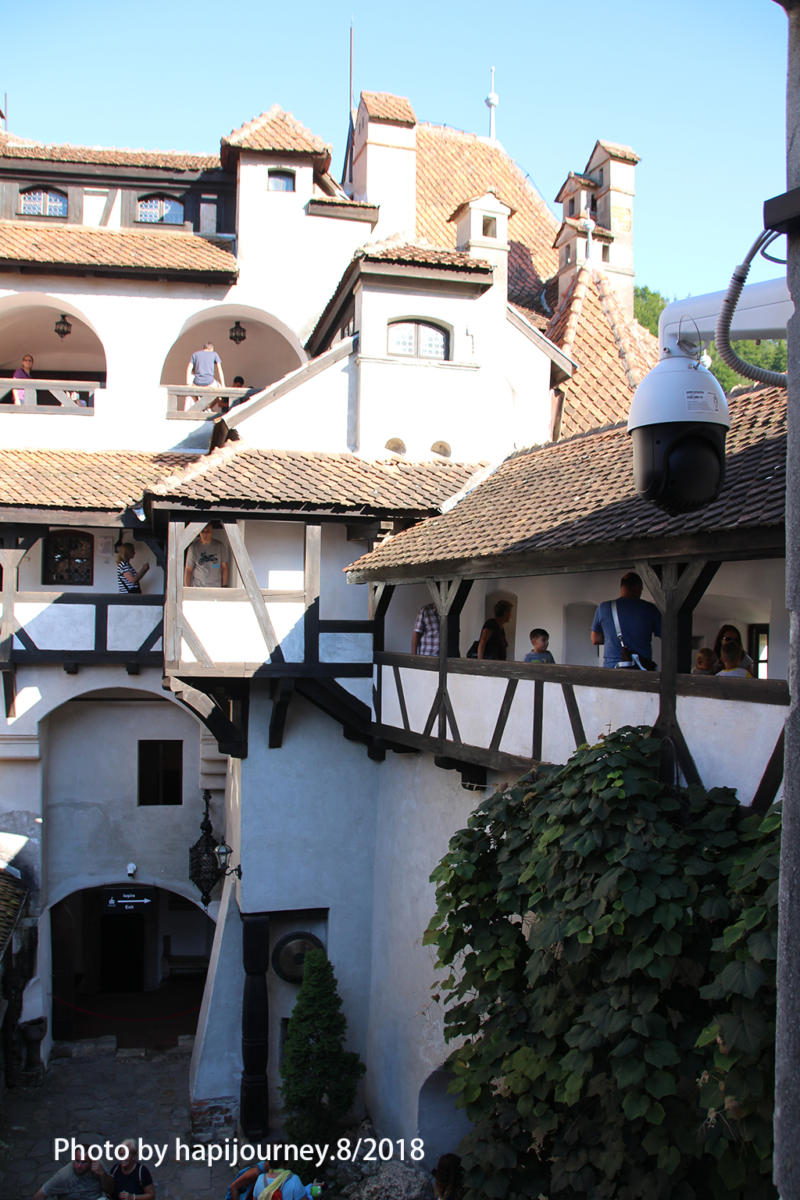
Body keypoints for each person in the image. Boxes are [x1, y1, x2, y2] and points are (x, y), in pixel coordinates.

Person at [591, 571, 661, 669]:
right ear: (638, 588)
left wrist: (612, 638)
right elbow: (665, 635)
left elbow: (595, 639)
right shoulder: (650, 609)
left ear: (622, 587)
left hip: (612, 668)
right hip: (641, 668)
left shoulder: (603, 608)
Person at [33, 1144, 113, 1200]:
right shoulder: (63, 1176)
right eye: (77, 1161)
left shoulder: (98, 1166)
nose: (79, 1166)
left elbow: (110, 1190)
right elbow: (39, 1196)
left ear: (91, 1161)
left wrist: (102, 1174)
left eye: (84, 1162)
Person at [226, 1158, 320, 1200]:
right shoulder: (256, 1173)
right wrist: (315, 1190)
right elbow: (233, 1187)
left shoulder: (261, 1179)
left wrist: (310, 1188)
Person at [186, 341, 225, 409]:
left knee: (191, 391)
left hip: (197, 382)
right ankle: (209, 407)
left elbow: (189, 369)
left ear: (204, 348)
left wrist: (188, 383)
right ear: (211, 349)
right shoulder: (214, 354)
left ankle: (198, 404)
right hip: (209, 382)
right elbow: (220, 370)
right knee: (220, 392)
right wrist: (223, 385)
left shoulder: (195, 354)